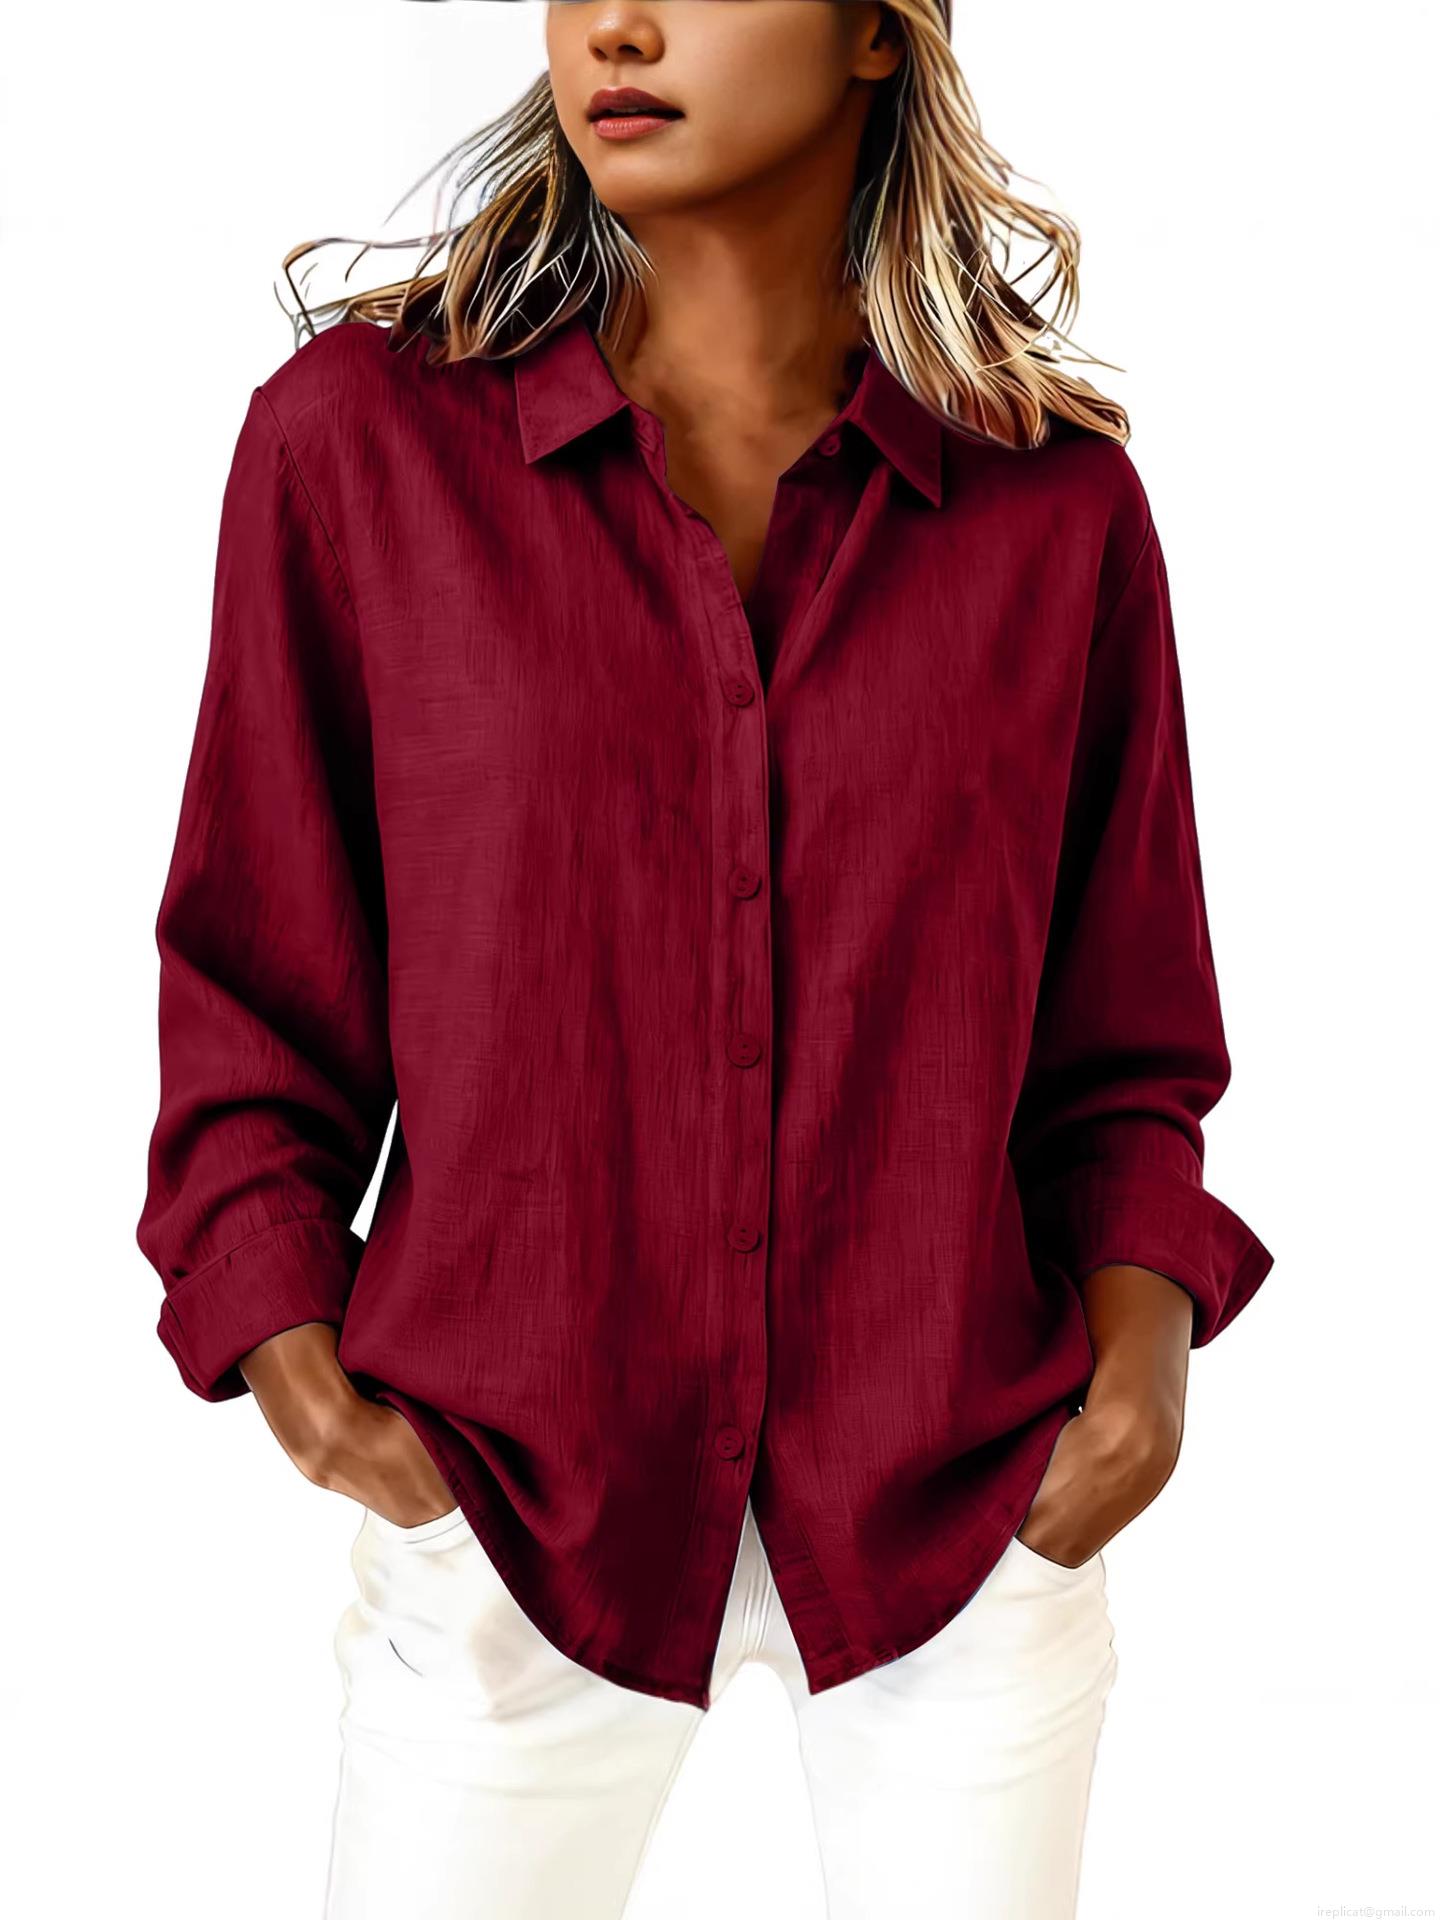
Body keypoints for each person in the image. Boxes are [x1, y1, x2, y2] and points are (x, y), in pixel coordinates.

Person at [135, 3, 1274, 1915]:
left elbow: (1125, 1031)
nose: (619, 22)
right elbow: (257, 956)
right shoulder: (359, 447)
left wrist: (1143, 1368)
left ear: (874, 35)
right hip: (510, 1501)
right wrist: (286, 1340)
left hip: (963, 1500)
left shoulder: (1053, 506)